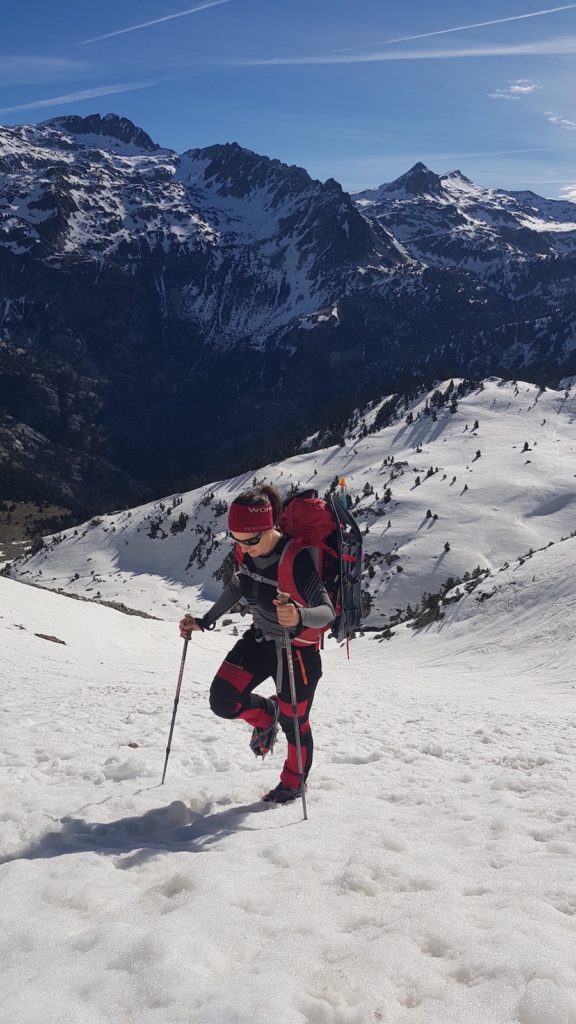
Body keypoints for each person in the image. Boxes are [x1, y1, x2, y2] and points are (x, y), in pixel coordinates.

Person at [179, 484, 335, 803]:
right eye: (236, 540)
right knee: (223, 700)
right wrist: (205, 620)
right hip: (260, 639)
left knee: (295, 723)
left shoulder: (296, 558)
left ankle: (293, 783)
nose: (244, 548)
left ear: (269, 527)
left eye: (250, 540)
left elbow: (326, 612)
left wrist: (300, 616)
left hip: (297, 653)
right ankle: (267, 715)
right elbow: (239, 585)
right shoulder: (248, 550)